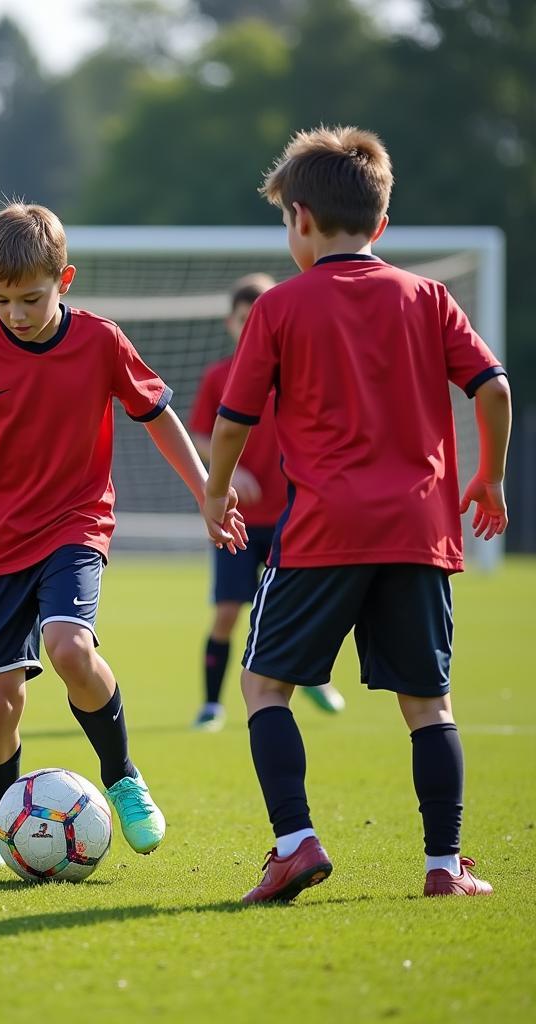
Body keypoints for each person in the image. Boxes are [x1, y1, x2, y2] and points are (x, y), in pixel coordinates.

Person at [201, 125, 511, 903]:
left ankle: (296, 843)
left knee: (264, 686)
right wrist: (491, 480)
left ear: (300, 219)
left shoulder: (280, 306)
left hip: (322, 532)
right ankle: (445, 865)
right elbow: (495, 389)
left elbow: (234, 421)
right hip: (418, 531)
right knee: (428, 705)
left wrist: (217, 490)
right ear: (380, 225)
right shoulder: (429, 296)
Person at [0, 201, 246, 867]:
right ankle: (1, 824)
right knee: (0, 702)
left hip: (74, 525)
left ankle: (121, 776)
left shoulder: (101, 341)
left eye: (30, 298)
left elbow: (157, 415)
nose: (16, 314)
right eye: (1, 300)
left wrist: (207, 487)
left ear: (66, 280)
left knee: (68, 648)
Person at [189, 274, 344, 730]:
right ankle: (212, 705)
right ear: (230, 323)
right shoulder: (219, 375)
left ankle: (310, 678)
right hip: (236, 517)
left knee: (298, 608)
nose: (251, 324)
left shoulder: (297, 370)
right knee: (228, 611)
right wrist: (230, 470)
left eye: (260, 315)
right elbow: (200, 433)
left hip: (292, 515)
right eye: (244, 318)